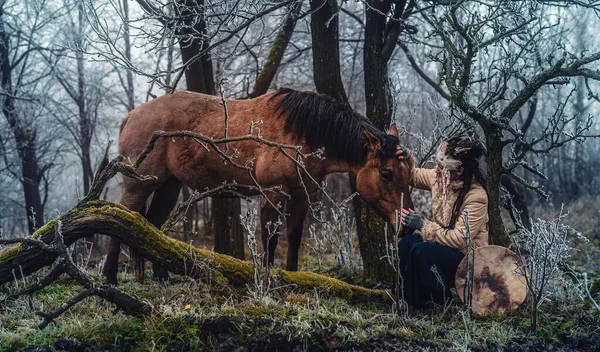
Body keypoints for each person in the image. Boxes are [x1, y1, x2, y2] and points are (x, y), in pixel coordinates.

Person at [394, 130, 488, 309]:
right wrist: (406, 158)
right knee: (407, 243)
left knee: (423, 251)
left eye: (442, 166)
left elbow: (460, 239)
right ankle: (406, 301)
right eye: (437, 164)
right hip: (444, 246)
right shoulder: (441, 179)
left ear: (459, 170)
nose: (436, 170)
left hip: (468, 259)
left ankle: (434, 303)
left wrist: (423, 225)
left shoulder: (477, 196)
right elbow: (413, 176)